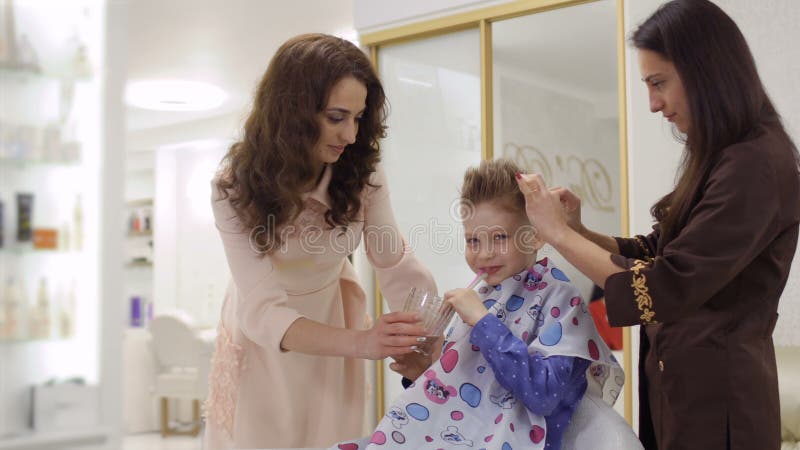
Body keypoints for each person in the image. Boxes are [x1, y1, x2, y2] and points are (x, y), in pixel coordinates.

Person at [514, 1, 800, 449]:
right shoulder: (724, 156)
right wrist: (581, 231)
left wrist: (559, 235)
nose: (652, 104)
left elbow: (667, 283)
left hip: (721, 408)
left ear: (704, 71)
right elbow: (659, 251)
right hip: (685, 391)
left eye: (659, 83)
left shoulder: (756, 164)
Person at [203, 33, 436, 449]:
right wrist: (362, 342)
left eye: (359, 118)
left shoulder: (363, 173)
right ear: (291, 112)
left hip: (333, 318)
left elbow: (393, 260)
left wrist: (431, 335)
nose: (349, 134)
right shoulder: (233, 189)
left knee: (330, 436)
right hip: (261, 335)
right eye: (336, 117)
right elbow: (262, 308)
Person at [332, 159, 623, 450]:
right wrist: (423, 372)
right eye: (473, 241)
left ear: (535, 235)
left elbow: (543, 394)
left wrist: (484, 324)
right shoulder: (482, 296)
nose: (483, 254)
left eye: (499, 238)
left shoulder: (561, 299)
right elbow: (468, 391)